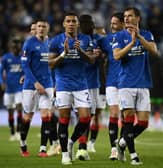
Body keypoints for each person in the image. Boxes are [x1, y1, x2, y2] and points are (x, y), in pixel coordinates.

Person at [48, 12, 98, 165]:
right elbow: (50, 63)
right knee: (64, 119)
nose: (71, 23)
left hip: (81, 85)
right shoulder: (56, 40)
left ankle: (70, 142)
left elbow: (90, 60)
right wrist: (64, 53)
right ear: (64, 24)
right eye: (68, 21)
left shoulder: (85, 39)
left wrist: (80, 51)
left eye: (73, 21)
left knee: (85, 118)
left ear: (78, 24)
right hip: (63, 85)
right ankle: (64, 154)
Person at [112, 7, 159, 165]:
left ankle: (121, 143)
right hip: (126, 84)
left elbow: (154, 51)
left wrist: (139, 37)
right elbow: (117, 56)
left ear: (138, 18)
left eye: (130, 16)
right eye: (125, 16)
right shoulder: (119, 36)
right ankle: (133, 155)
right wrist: (132, 43)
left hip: (143, 83)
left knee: (144, 123)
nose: (126, 18)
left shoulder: (147, 34)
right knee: (129, 121)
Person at [20, 19, 54, 158]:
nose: (40, 28)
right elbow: (25, 65)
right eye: (39, 26)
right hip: (30, 85)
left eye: (43, 26)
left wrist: (54, 82)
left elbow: (51, 64)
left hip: (47, 84)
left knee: (46, 115)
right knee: (28, 116)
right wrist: (35, 83)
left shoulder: (50, 43)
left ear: (47, 28)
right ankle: (23, 143)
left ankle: (43, 149)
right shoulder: (29, 43)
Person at [75, 14, 106, 161]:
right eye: (89, 23)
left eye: (93, 23)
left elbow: (108, 50)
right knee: (80, 116)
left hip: (93, 83)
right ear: (82, 25)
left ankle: (82, 145)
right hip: (77, 84)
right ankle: (79, 147)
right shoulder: (76, 40)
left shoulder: (99, 39)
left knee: (90, 117)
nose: (92, 26)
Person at [101, 12, 124, 160]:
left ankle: (122, 145)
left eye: (115, 23)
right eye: (111, 23)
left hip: (127, 83)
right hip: (111, 82)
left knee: (126, 116)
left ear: (122, 23)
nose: (112, 25)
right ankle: (114, 149)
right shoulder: (107, 40)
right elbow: (96, 48)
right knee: (114, 114)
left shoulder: (130, 38)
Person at [0, 36, 24, 141]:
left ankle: (18, 131)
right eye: (14, 43)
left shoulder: (23, 57)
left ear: (20, 45)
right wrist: (1, 82)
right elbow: (0, 72)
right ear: (11, 46)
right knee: (10, 111)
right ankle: (12, 133)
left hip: (20, 88)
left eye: (17, 43)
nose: (15, 45)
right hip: (9, 89)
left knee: (19, 108)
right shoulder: (6, 58)